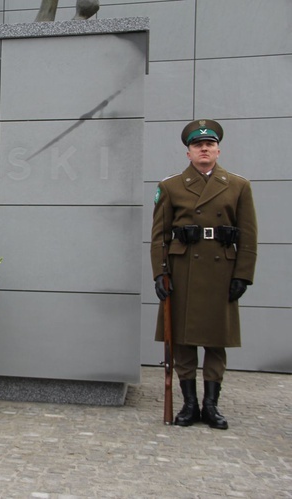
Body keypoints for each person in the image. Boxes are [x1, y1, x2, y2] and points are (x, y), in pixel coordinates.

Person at [150, 119, 257, 430]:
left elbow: (248, 235)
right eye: (198, 146)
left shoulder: (238, 186)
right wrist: (160, 273)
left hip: (220, 270)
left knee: (215, 340)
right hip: (182, 270)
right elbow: (160, 235)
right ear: (189, 153)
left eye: (209, 145)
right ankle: (189, 404)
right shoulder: (169, 186)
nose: (204, 149)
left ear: (218, 150)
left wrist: (243, 275)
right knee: (181, 340)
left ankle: (211, 405)